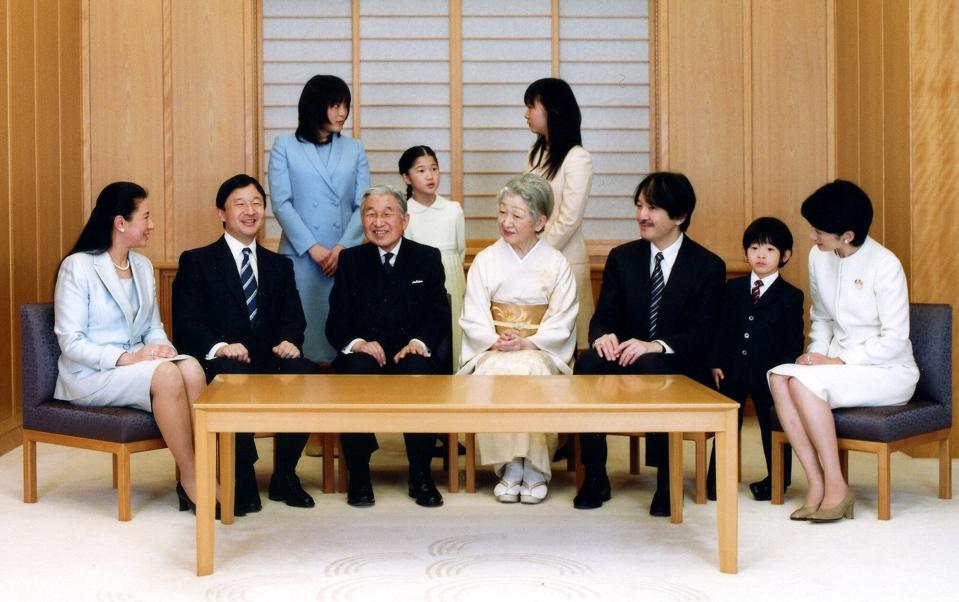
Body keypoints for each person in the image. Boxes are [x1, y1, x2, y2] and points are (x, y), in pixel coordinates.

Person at [573, 172, 725, 517]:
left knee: (653, 365)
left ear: (680, 216)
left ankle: (666, 481)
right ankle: (595, 474)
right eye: (640, 205)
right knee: (588, 364)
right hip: (627, 355)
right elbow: (604, 315)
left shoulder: (708, 266)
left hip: (680, 362)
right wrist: (603, 336)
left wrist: (657, 345)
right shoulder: (622, 257)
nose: (642, 214)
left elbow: (702, 333)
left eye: (653, 208)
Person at [768, 180, 918, 522]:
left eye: (819, 231)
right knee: (780, 378)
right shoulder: (819, 257)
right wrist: (813, 356)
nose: (811, 237)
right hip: (836, 365)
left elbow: (895, 338)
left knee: (803, 384)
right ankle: (818, 484)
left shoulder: (885, 264)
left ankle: (837, 487)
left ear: (847, 235)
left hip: (887, 370)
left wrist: (837, 361)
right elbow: (820, 318)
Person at [53, 181, 207, 512]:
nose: (151, 225)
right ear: (120, 223)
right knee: (166, 376)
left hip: (135, 366)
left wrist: (162, 348)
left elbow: (152, 327)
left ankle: (196, 470)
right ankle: (195, 478)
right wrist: (130, 357)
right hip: (90, 374)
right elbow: (71, 342)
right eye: (146, 217)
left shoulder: (142, 266)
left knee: (191, 368)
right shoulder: (77, 267)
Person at [172, 174, 317, 517]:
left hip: (268, 360)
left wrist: (290, 342)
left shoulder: (279, 265)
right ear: (221, 213)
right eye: (240, 204)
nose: (250, 211)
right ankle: (242, 474)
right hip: (222, 364)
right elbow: (186, 323)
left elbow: (295, 319)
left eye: (256, 203)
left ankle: (284, 474)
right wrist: (220, 346)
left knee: (304, 370)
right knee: (232, 375)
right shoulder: (197, 261)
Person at [326, 185, 451, 508]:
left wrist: (417, 342)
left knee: (419, 371)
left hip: (409, 352)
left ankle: (421, 473)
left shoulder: (427, 258)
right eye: (370, 213)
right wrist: (358, 344)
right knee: (355, 371)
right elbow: (336, 321)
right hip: (367, 354)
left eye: (387, 213)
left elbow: (439, 315)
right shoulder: (351, 260)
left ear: (405, 219)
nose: (378, 222)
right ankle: (359, 473)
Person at [459, 174, 578, 504]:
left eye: (517, 215)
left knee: (532, 370)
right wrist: (494, 339)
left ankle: (535, 466)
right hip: (493, 346)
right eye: (502, 212)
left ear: (540, 221)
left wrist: (529, 342)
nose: (506, 222)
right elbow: (473, 314)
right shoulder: (486, 260)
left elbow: (563, 318)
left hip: (540, 348)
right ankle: (509, 464)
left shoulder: (556, 263)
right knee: (494, 373)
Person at [268, 74, 370, 363]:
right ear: (315, 106)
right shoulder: (285, 146)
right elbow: (281, 203)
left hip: (343, 258)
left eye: (345, 106)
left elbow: (363, 204)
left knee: (341, 339)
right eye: (335, 105)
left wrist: (341, 248)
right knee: (301, 341)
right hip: (301, 256)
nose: (342, 113)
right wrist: (313, 247)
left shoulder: (355, 148)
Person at [705, 217, 804, 502]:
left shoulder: (790, 296)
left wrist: (783, 374)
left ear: (785, 256)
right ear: (746, 252)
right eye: (754, 247)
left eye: (770, 250)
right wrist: (715, 361)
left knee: (772, 425)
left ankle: (777, 481)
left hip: (768, 374)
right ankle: (716, 481)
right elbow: (720, 328)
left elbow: (792, 340)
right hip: (731, 370)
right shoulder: (732, 288)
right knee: (727, 424)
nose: (761, 255)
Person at [523, 77, 595, 351]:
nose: (526, 114)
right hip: (533, 262)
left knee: (569, 347)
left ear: (552, 110)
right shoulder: (535, 153)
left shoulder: (577, 157)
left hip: (564, 261)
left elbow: (569, 219)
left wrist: (535, 252)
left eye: (532, 107)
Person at [399, 145, 466, 370]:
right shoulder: (404, 212)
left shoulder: (453, 209)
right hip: (418, 281)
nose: (430, 176)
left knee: (457, 333)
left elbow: (460, 249)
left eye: (434, 169)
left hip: (452, 275)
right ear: (406, 177)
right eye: (421, 170)